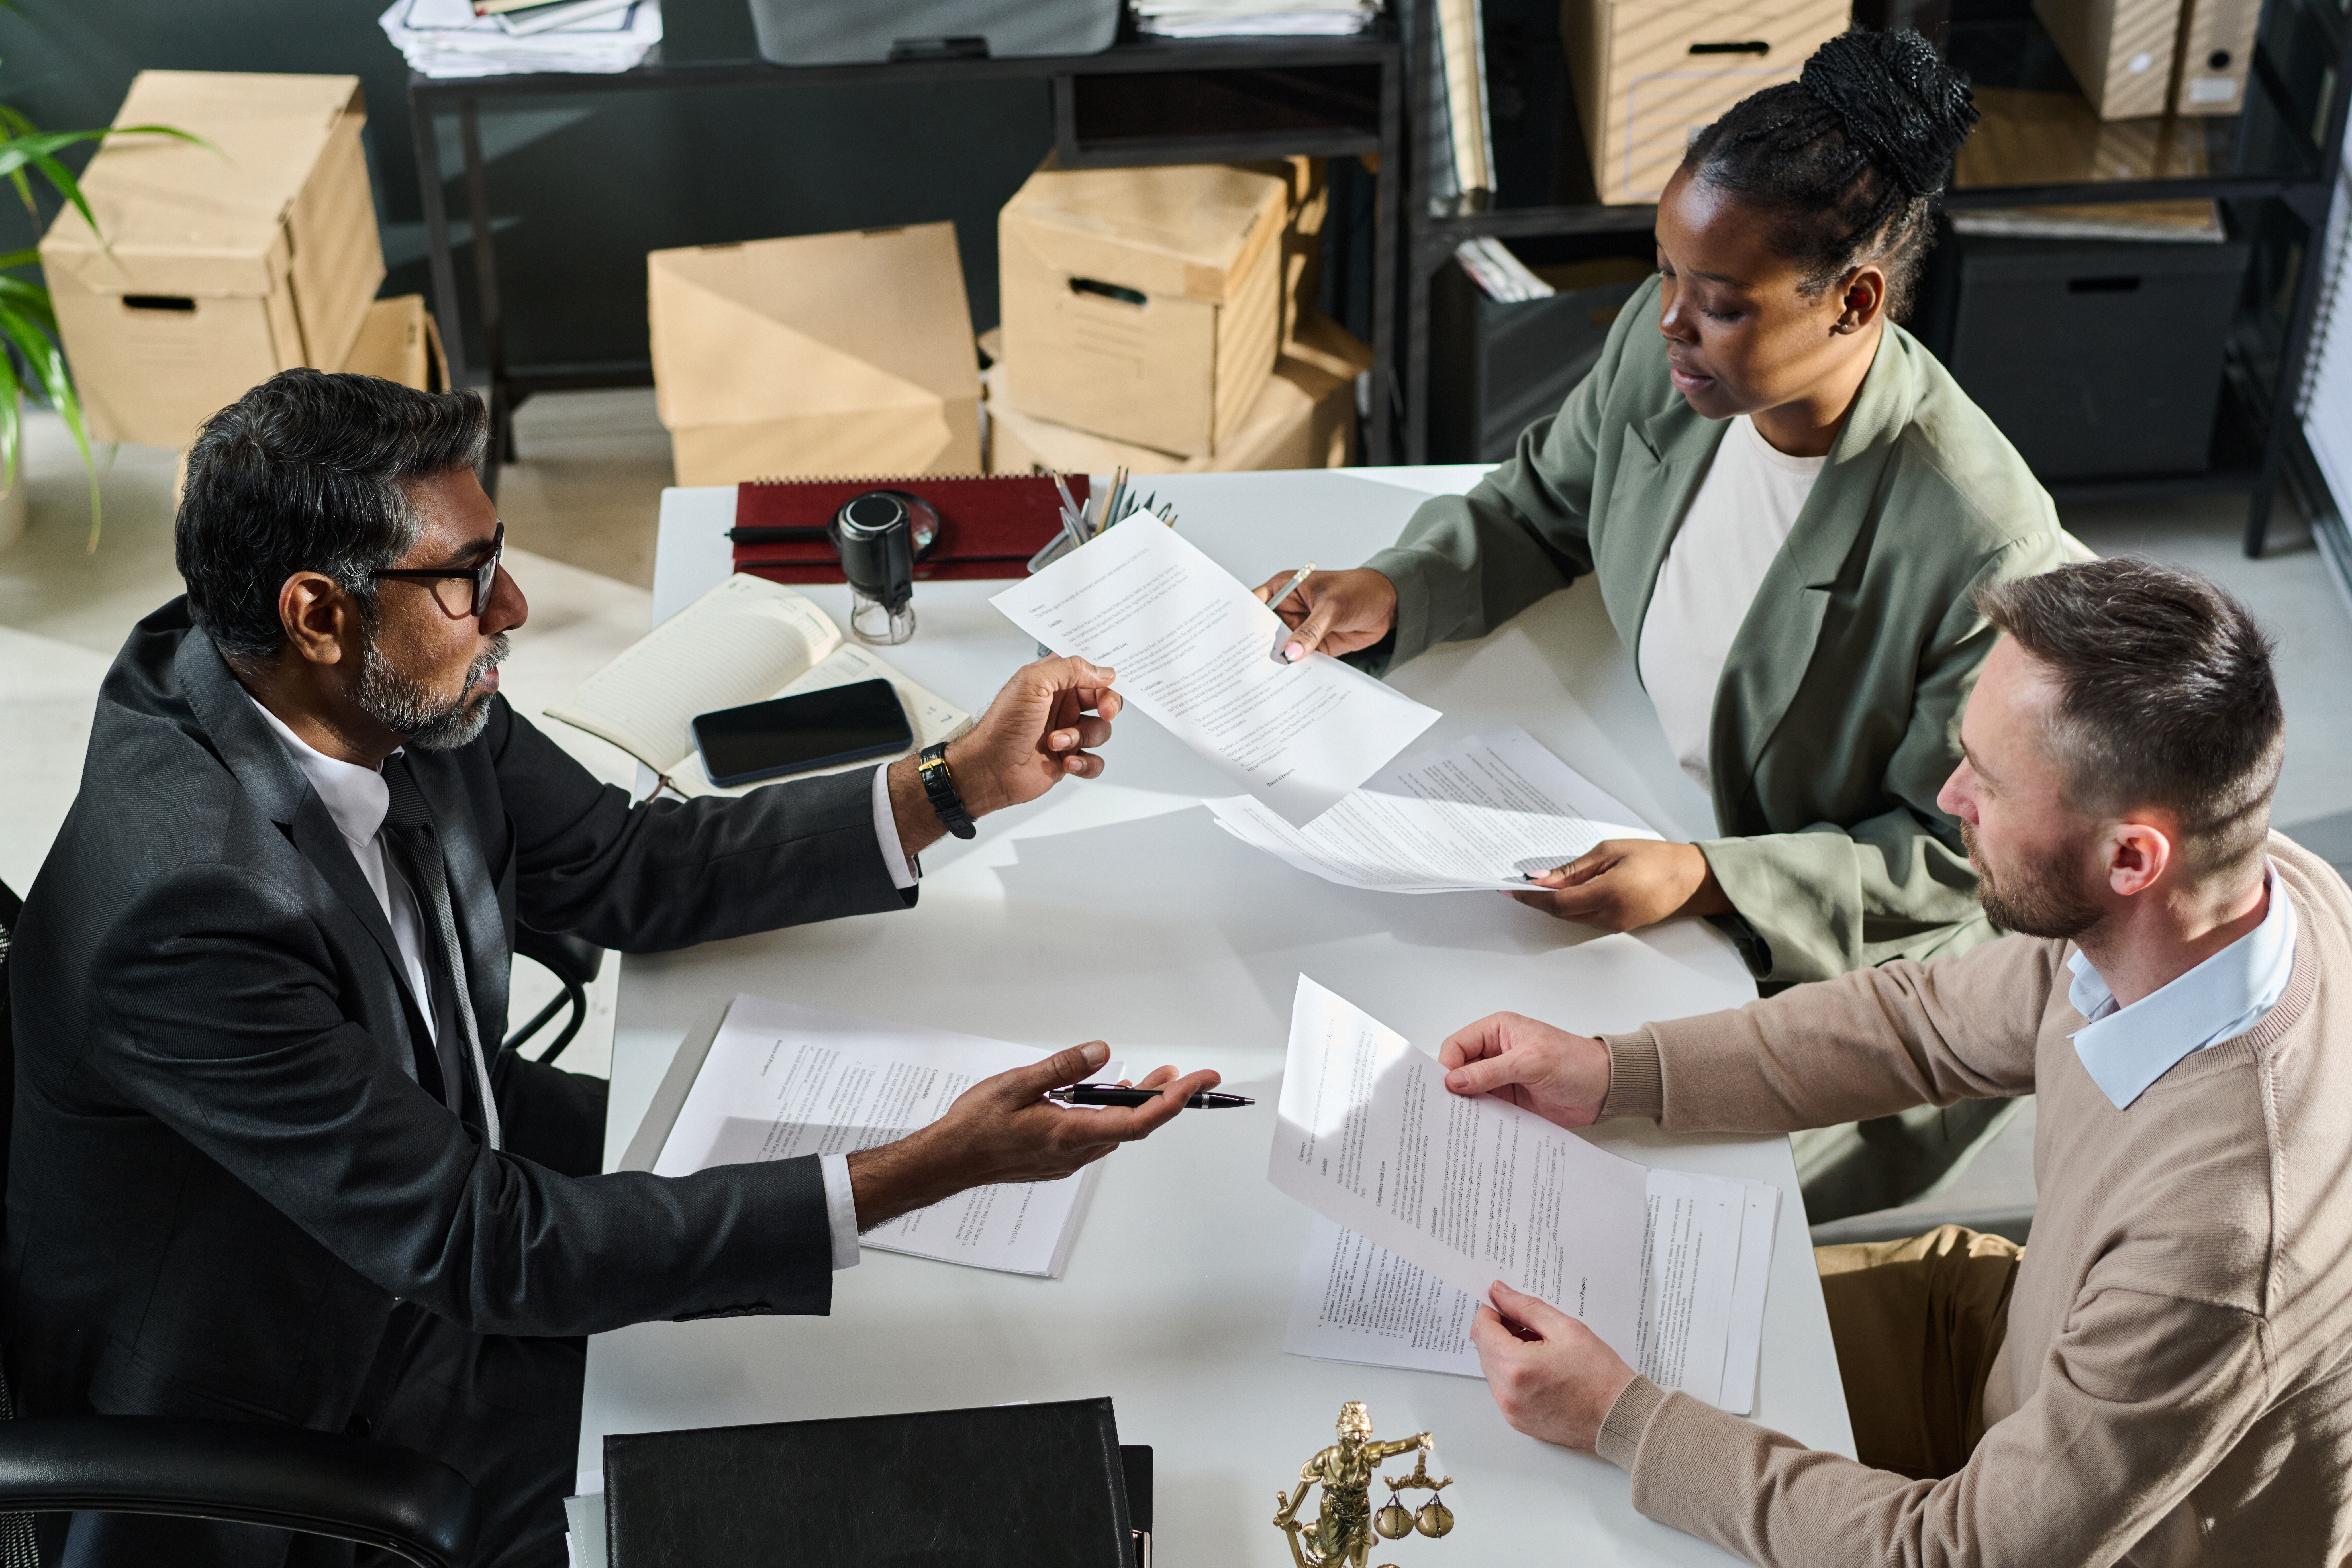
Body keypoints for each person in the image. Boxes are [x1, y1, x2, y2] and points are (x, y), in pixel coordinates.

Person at [4, 370, 1219, 1568]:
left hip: (445, 1203)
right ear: (318, 612)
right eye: (470, 578)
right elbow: (487, 1249)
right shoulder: (189, 909)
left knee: (926, 1346)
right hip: (321, 1406)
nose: (515, 603)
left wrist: (954, 782)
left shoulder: (370, 686)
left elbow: (628, 864)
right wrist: (913, 1172)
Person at [1258, 28, 2084, 1218]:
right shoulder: (1678, 367)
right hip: (1639, 805)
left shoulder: (1984, 545)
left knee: (1562, 1182)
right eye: (1664, 275)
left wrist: (1707, 877)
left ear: (1855, 302)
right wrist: (1392, 588)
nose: (1667, 325)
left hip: (1836, 966)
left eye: (1719, 304)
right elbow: (1543, 502)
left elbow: (1952, 857)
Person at [1437, 558, 2352, 1564]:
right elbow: (1923, 1024)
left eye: (1991, 784)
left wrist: (1623, 1419)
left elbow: (1959, 1554)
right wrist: (1616, 1070)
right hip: (2020, 1345)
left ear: (2134, 859)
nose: (1950, 794)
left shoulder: (2214, 1250)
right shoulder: (2245, 896)